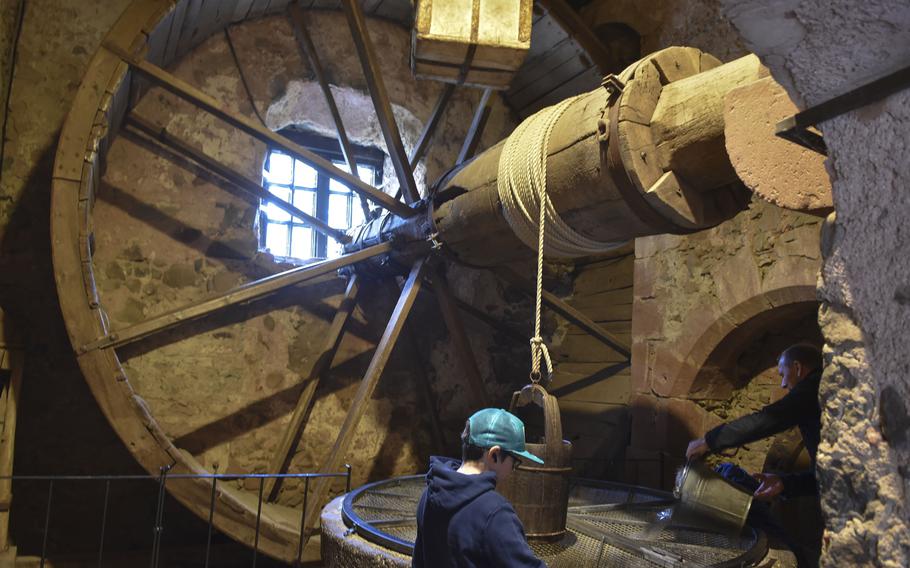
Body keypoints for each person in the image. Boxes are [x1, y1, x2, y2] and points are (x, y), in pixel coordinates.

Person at [685, 343, 823, 501]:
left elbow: (765, 420)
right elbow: (823, 477)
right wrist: (785, 483)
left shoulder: (813, 389)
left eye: (783, 374)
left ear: (797, 368)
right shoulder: (818, 395)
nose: (783, 384)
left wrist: (708, 441)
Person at [413, 408, 546, 568]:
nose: (513, 470)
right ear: (494, 455)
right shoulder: (495, 513)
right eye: (515, 462)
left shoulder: (428, 494)